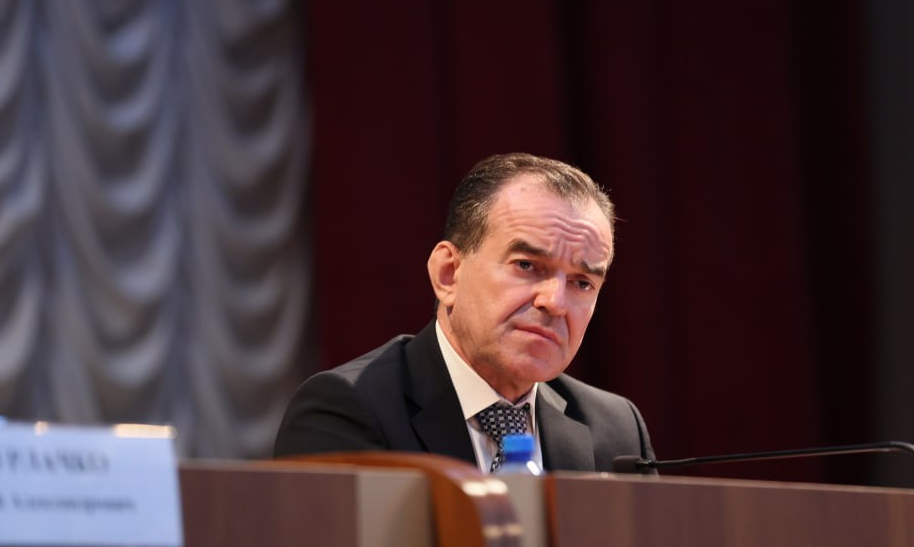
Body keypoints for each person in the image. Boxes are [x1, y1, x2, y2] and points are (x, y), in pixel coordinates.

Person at [273, 152, 655, 473]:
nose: (554, 302)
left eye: (582, 283)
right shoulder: (348, 411)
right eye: (526, 265)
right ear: (448, 274)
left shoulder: (616, 429)